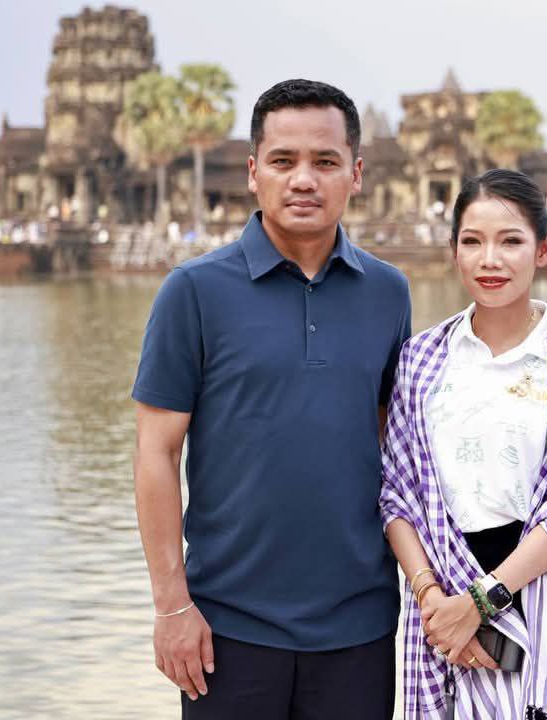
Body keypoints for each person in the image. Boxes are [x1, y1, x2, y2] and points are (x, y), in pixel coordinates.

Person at [131, 78, 412, 720]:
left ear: (356, 174)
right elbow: (156, 454)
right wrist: (171, 606)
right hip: (226, 626)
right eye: (283, 161)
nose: (304, 180)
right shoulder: (193, 292)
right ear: (254, 172)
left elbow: (389, 448)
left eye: (325, 161)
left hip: (360, 624)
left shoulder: (389, 293)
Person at [380, 169, 547, 719]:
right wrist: (434, 602)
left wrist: (481, 601)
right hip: (441, 609)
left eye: (510, 241)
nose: (490, 260)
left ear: (544, 250)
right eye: (473, 242)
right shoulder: (421, 359)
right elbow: (397, 494)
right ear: (454, 251)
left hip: (541, 599)